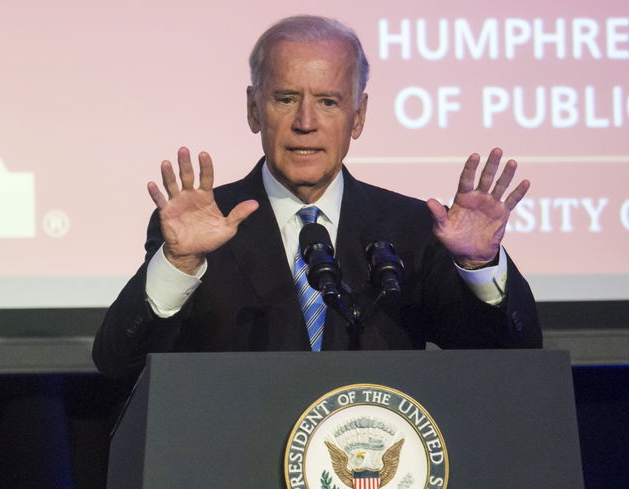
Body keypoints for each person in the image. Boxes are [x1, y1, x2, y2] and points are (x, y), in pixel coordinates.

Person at [93, 15, 542, 380]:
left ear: (358, 115)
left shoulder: (412, 228)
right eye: (286, 99)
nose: (305, 122)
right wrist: (179, 265)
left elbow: (511, 359)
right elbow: (118, 362)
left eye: (328, 101)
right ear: (254, 109)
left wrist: (481, 267)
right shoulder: (202, 229)